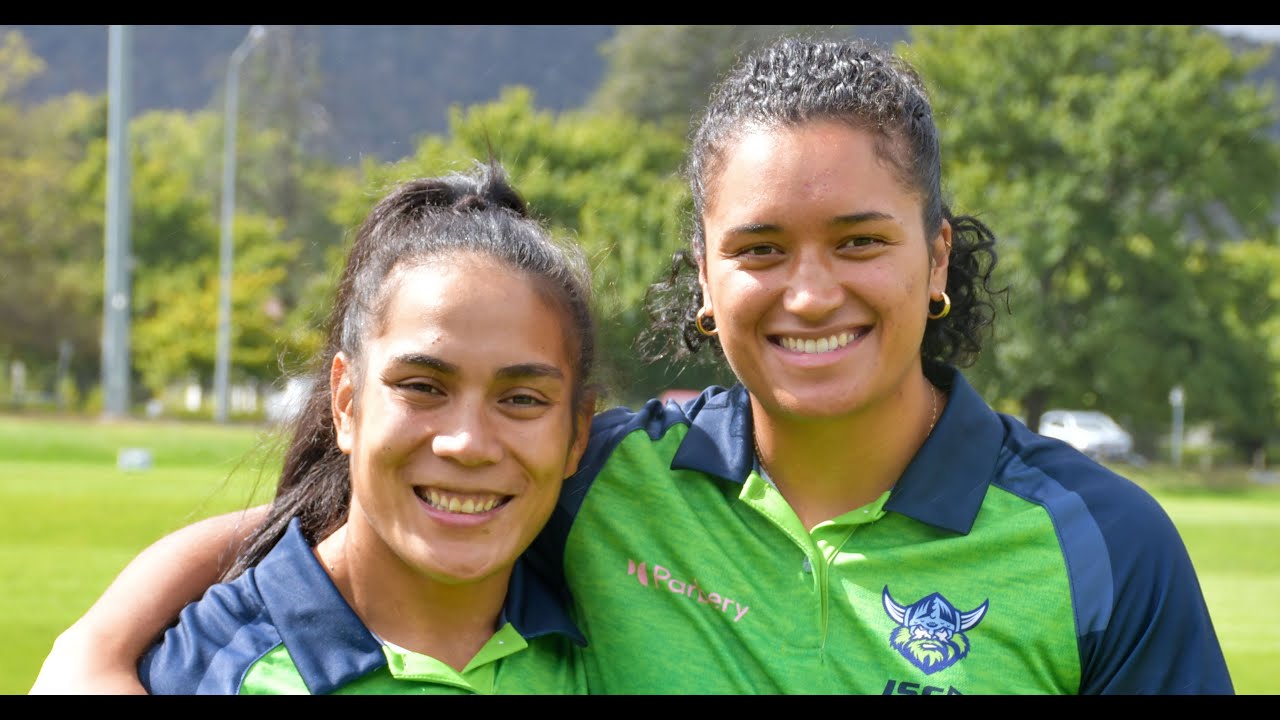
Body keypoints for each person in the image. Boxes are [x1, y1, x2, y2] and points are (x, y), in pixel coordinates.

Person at [31, 36, 1232, 695]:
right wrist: (93, 650)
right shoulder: (602, 478)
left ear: (934, 259)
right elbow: (354, 520)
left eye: (859, 242)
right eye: (759, 248)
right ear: (703, 283)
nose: (809, 291)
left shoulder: (1099, 545)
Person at [53, 161, 598, 694]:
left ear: (577, 434)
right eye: (422, 387)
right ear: (345, 403)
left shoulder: (612, 641)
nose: (467, 443)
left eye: (522, 399)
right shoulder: (220, 671)